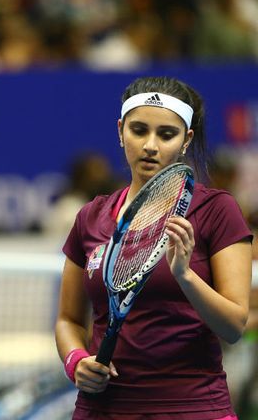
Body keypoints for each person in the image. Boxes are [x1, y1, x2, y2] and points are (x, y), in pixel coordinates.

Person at [55, 76, 253, 419]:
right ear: (120, 131)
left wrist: (185, 276)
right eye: (138, 130)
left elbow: (234, 326)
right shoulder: (91, 217)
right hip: (102, 409)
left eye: (166, 134)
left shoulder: (217, 211)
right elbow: (68, 319)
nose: (150, 145)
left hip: (193, 407)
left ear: (186, 139)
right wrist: (76, 361)